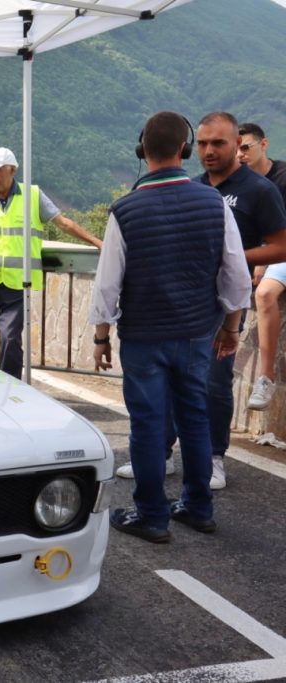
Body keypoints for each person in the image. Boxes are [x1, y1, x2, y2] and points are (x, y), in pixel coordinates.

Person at [91, 111, 251, 543]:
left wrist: (101, 337)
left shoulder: (124, 210)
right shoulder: (214, 204)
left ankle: (152, 516)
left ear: (142, 150)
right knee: (195, 419)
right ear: (185, 150)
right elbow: (235, 278)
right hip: (197, 333)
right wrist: (230, 328)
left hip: (143, 339)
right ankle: (198, 507)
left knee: (147, 424)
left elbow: (107, 286)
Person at [0, 147, 103, 379]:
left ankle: (11, 390)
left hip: (17, 281)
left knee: (10, 338)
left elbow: (62, 223)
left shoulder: (33, 196)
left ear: (12, 170)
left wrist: (96, 242)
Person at [194, 112, 286, 487]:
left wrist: (234, 257)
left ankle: (215, 458)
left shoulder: (259, 190)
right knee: (173, 377)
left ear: (238, 146)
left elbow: (281, 245)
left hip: (227, 304)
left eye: (218, 143)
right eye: (202, 144)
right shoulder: (195, 187)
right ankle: (163, 452)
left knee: (216, 382)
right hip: (187, 301)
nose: (209, 151)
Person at [239, 122, 286, 411]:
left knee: (265, 294)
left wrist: (265, 257)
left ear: (264, 144)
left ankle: (265, 377)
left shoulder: (283, 177)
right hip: (261, 255)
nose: (241, 154)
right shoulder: (238, 183)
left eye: (247, 147)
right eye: (238, 149)